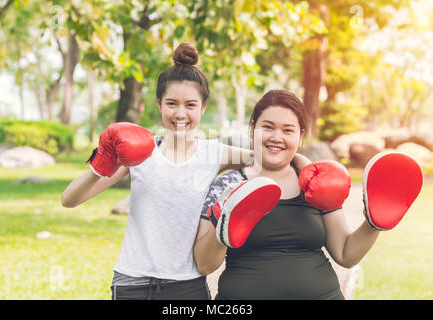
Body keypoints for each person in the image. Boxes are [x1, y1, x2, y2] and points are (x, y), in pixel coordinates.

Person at [61, 43, 310, 300]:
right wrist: (103, 161)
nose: (180, 113)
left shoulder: (214, 153)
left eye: (190, 105)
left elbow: (271, 154)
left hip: (187, 286)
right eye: (172, 103)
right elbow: (70, 200)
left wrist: (308, 169)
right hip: (132, 283)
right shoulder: (140, 152)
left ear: (202, 107)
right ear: (159, 105)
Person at [193, 89, 383, 300]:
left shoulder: (317, 184)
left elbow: (346, 254)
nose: (276, 137)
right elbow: (204, 264)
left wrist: (374, 222)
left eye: (287, 130)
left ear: (300, 136)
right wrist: (224, 220)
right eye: (267, 127)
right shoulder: (226, 186)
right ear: (252, 129)